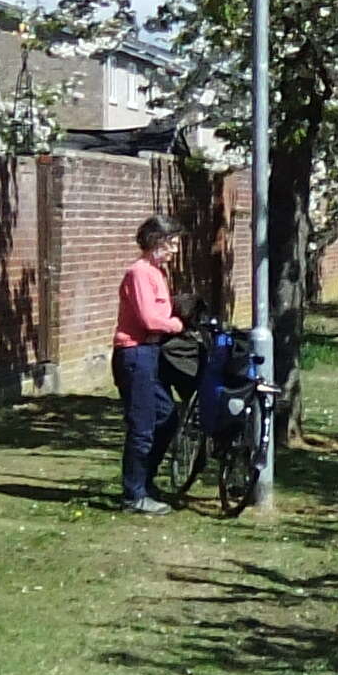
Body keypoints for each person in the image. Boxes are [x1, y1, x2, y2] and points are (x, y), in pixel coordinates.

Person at [114, 216, 191, 510]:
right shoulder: (139, 273)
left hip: (151, 353)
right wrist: (176, 325)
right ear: (157, 242)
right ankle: (133, 495)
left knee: (167, 417)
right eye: (171, 244)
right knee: (142, 427)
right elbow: (150, 319)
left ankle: (145, 481)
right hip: (134, 354)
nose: (175, 250)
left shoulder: (156, 273)